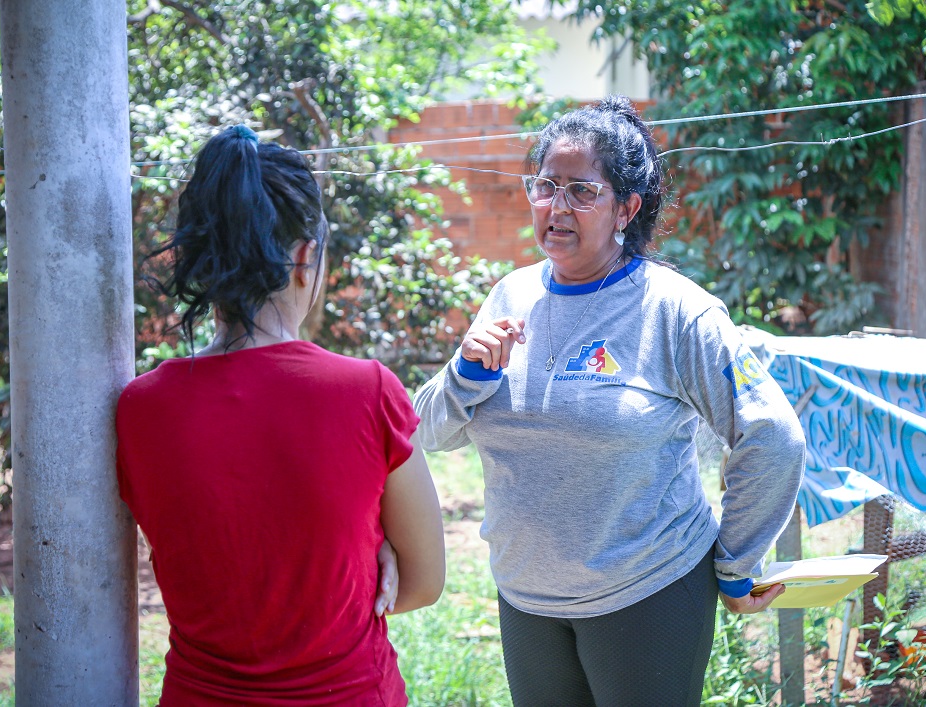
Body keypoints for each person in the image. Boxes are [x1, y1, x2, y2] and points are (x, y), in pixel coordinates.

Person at [413, 96, 807, 706]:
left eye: (581, 191)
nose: (557, 207)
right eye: (545, 186)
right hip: (526, 599)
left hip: (647, 596)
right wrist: (465, 373)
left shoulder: (676, 311)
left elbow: (773, 435)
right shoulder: (509, 296)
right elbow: (424, 433)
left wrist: (735, 563)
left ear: (627, 207)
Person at [116, 125, 446, 706]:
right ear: (304, 258)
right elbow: (422, 582)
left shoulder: (140, 409)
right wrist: (370, 553)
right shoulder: (367, 392)